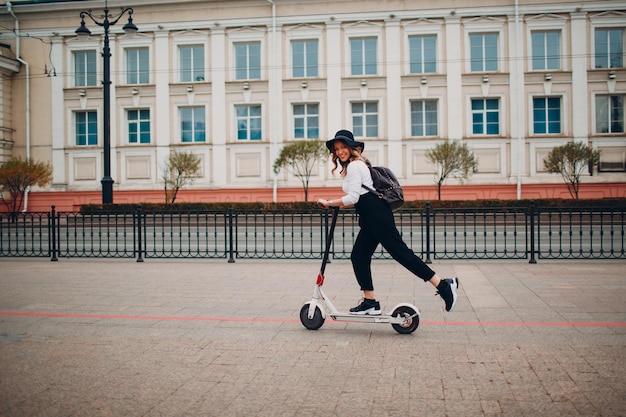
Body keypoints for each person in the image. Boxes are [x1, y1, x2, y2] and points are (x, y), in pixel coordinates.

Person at [317, 129, 459, 315]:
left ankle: (444, 286)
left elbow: (352, 197)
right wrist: (336, 205)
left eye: (343, 147)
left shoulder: (354, 166)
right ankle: (370, 302)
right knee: (359, 256)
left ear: (352, 148)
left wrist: (329, 203)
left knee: (401, 253)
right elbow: (358, 197)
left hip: (376, 215)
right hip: (370, 216)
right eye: (336, 149)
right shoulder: (355, 166)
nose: (340, 151)